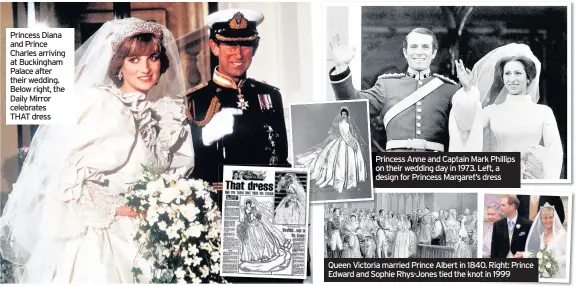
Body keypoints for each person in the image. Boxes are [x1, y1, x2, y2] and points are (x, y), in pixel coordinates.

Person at [0, 18, 193, 283]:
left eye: (153, 57)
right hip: (103, 242)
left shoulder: (164, 115)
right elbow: (68, 183)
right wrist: (128, 208)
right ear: (119, 66)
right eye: (133, 60)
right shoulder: (102, 105)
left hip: (153, 237)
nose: (146, 68)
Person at [187, 9, 290, 195]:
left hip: (263, 198)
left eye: (245, 45)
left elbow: (281, 158)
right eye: (230, 45)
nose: (239, 54)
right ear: (214, 47)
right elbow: (189, 164)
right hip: (215, 205)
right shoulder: (195, 99)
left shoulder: (270, 95)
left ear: (255, 47)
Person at [328, 28, 483, 152]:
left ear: (433, 53)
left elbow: (466, 127)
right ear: (405, 52)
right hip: (396, 169)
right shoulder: (387, 85)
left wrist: (467, 89)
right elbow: (352, 105)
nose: (419, 52)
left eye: (425, 47)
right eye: (414, 47)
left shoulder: (449, 89)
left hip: (435, 170)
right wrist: (342, 67)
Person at [471, 43, 563, 179]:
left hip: (532, 182)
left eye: (518, 73)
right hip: (500, 179)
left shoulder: (543, 112)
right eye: (507, 73)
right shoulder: (490, 112)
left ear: (528, 78)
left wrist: (547, 183)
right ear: (502, 78)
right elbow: (466, 129)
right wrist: (467, 90)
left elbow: (555, 153)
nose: (512, 79)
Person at [296, 106, 368, 192]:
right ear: (341, 115)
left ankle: (351, 177)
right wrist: (351, 142)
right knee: (339, 159)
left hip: (349, 139)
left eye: (345, 114)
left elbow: (349, 133)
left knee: (352, 159)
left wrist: (353, 140)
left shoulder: (349, 123)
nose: (344, 115)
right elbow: (344, 135)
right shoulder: (341, 123)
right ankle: (341, 177)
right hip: (344, 140)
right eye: (343, 114)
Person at [514, 203, 567, 279]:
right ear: (541, 219)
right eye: (545, 218)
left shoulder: (562, 235)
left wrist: (553, 262)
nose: (548, 220)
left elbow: (570, 256)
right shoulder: (542, 235)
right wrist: (523, 254)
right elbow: (540, 255)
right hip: (545, 275)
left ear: (554, 218)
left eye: (550, 217)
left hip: (558, 274)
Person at [237, 198, 291, 271]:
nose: (248, 205)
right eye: (247, 204)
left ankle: (264, 255)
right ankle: (252, 258)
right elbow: (246, 218)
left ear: (250, 204)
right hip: (249, 226)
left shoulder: (254, 209)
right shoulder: (245, 209)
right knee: (249, 242)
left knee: (263, 238)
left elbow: (258, 216)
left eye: (249, 203)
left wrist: (255, 216)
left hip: (256, 225)